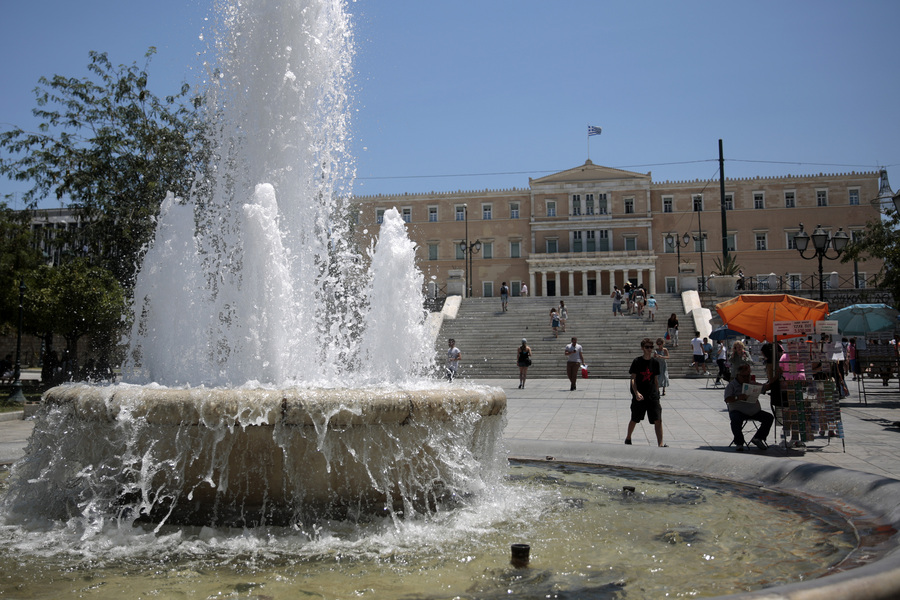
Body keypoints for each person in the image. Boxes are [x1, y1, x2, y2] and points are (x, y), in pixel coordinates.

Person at [724, 363, 775, 452]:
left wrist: (775, 376)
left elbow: (766, 387)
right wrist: (738, 397)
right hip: (738, 410)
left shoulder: (752, 383)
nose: (746, 378)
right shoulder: (732, 385)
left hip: (754, 411)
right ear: (738, 375)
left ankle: (758, 438)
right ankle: (739, 442)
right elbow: (727, 399)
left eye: (748, 376)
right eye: (744, 376)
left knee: (769, 417)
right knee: (735, 420)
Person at [625, 338, 665, 447]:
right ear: (642, 348)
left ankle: (660, 444)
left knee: (658, 419)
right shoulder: (637, 362)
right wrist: (636, 393)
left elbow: (655, 379)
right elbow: (633, 378)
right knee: (635, 419)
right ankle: (628, 437)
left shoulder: (655, 363)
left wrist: (657, 393)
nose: (649, 349)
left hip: (652, 395)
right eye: (647, 347)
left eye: (651, 347)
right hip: (640, 396)